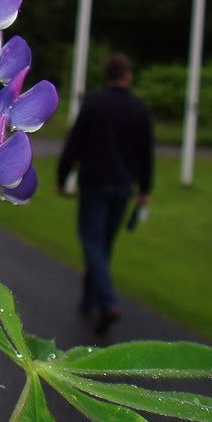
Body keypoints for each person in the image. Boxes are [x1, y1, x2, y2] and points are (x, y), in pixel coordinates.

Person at [57, 52, 154, 334]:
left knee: (92, 242)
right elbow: (145, 153)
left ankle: (108, 302)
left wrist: (63, 176)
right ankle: (91, 298)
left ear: (106, 75)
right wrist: (145, 189)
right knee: (102, 245)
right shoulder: (138, 108)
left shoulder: (94, 103)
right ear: (128, 75)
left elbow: (74, 143)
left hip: (95, 183)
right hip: (123, 185)